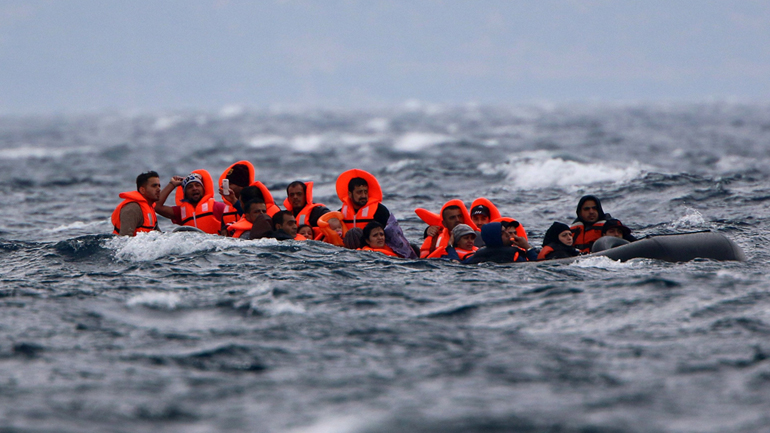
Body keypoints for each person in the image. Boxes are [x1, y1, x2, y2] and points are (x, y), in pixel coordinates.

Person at [336, 169, 416, 258]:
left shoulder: (380, 211)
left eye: (365, 192)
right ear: (350, 194)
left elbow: (391, 236)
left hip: (373, 255)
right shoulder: (340, 213)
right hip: (347, 252)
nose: (363, 195)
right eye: (359, 192)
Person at [155, 170, 225, 235]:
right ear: (185, 193)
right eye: (190, 187)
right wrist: (172, 184)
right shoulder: (181, 212)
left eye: (197, 185)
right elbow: (156, 206)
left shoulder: (217, 207)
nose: (194, 188)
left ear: (203, 189)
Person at [112, 171, 162, 236]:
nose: (159, 189)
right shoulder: (132, 209)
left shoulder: (150, 208)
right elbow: (124, 239)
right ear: (142, 190)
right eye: (154, 186)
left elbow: (160, 236)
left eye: (159, 186)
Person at [464, 222, 538, 264]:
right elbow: (537, 263)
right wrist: (528, 247)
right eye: (503, 233)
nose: (508, 234)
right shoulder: (514, 255)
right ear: (495, 237)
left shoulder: (477, 255)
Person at [218, 161, 255, 228]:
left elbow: (251, 219)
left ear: (241, 186)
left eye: (230, 184)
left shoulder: (258, 203)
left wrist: (234, 201)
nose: (228, 187)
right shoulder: (226, 208)